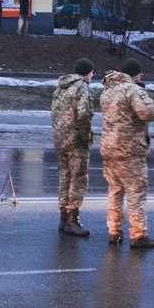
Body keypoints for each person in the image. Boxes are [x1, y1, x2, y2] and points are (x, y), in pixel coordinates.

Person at [100, 58, 154, 249]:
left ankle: (114, 231)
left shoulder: (108, 91)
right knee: (136, 192)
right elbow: (146, 112)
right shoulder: (133, 90)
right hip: (129, 148)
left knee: (115, 191)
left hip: (109, 147)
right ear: (135, 74)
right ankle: (138, 234)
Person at [51, 58, 94, 238]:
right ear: (87, 72)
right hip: (76, 141)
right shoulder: (82, 88)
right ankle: (72, 220)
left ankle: (63, 218)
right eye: (92, 72)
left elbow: (54, 113)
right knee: (78, 179)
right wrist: (86, 137)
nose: (92, 76)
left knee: (64, 177)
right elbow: (84, 115)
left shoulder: (60, 88)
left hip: (60, 139)